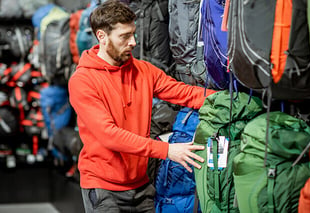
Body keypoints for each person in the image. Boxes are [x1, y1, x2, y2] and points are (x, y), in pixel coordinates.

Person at [68, 0, 217, 212]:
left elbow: (184, 93)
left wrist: (226, 100)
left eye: (133, 34)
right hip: (103, 189)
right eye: (124, 36)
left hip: (141, 185)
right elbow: (109, 135)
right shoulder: (83, 80)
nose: (133, 42)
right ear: (102, 37)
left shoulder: (144, 70)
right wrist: (167, 151)